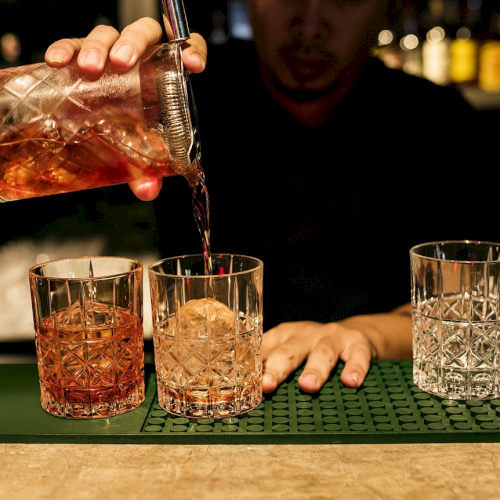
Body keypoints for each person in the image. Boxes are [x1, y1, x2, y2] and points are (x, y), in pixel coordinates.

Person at [44, 1, 488, 395]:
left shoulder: (442, 126)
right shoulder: (180, 98)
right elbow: (56, 149)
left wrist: (368, 334)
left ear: (390, 8)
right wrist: (82, 95)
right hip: (205, 389)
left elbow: (474, 302)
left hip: (380, 393)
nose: (310, 24)